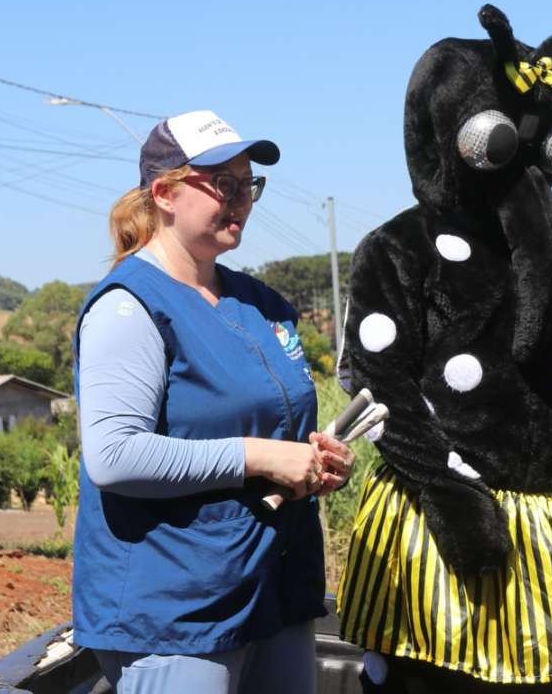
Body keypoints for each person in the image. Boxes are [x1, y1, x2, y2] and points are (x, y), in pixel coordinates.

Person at [72, 109, 354, 694]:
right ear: (164, 194)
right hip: (177, 611)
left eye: (248, 185)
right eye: (223, 184)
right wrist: (261, 456)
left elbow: (277, 426)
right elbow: (114, 455)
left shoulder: (261, 304)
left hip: (274, 591)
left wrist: (315, 462)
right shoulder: (129, 305)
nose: (241, 200)